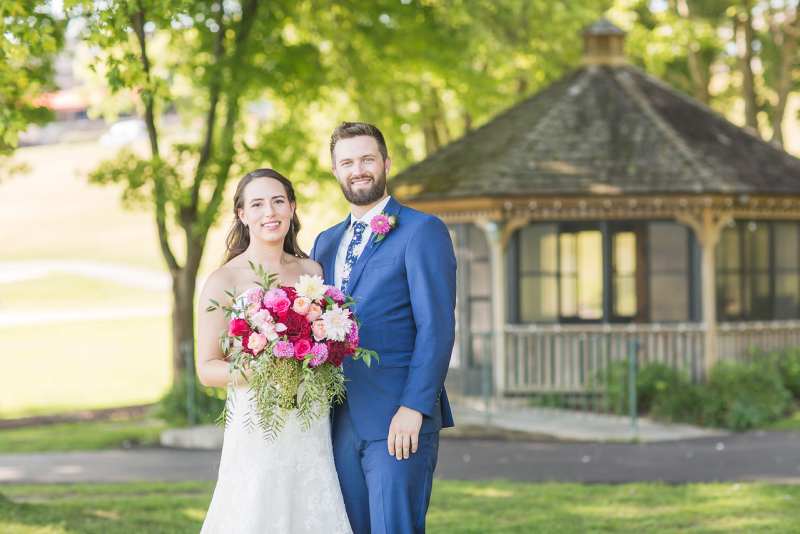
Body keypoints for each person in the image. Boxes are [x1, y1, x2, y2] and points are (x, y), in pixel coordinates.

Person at [311, 122, 457, 534]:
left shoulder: (422, 231)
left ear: (386, 163)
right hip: (338, 420)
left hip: (398, 418)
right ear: (335, 171)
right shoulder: (325, 242)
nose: (358, 170)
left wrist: (414, 407)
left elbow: (436, 327)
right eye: (347, 163)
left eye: (367, 159)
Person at [197, 168, 352, 533]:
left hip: (310, 419)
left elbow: (326, 339)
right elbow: (207, 368)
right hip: (258, 421)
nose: (270, 212)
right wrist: (270, 367)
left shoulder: (312, 270)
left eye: (278, 201)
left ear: (292, 207)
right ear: (242, 214)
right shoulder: (225, 280)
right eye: (257, 204)